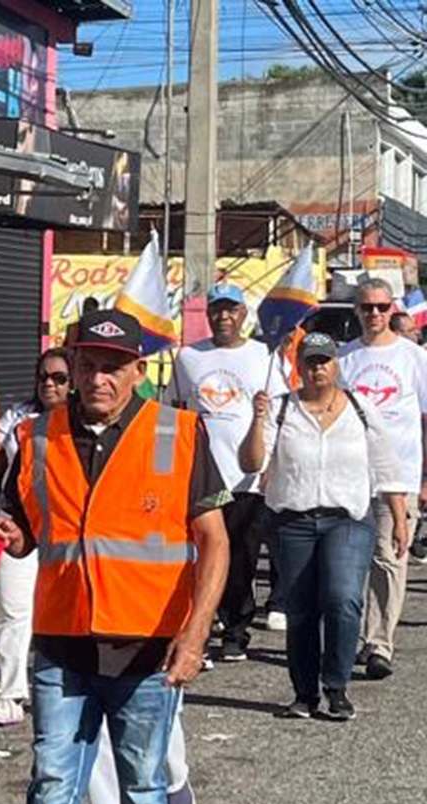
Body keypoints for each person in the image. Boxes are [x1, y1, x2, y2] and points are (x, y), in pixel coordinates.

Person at [0, 309, 229, 804]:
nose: (98, 378)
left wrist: (195, 634)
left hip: (147, 646)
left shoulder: (179, 433)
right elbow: (32, 530)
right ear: (71, 366)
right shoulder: (34, 439)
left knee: (143, 787)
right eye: (87, 364)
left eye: (114, 366)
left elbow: (215, 542)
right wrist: (16, 538)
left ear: (137, 372)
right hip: (62, 644)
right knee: (52, 783)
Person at [240, 330, 408, 720]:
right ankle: (304, 694)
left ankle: (336, 686)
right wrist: (257, 419)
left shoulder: (361, 408)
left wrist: (399, 519)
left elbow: (386, 467)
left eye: (325, 361)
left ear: (336, 365)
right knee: (300, 609)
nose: (318, 368)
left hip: (347, 520)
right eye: (310, 361)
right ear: (298, 367)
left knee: (343, 598)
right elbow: (251, 464)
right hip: (291, 521)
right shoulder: (281, 409)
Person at [172, 282, 285, 662]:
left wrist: (272, 464)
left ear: (243, 315)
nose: (223, 316)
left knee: (241, 558)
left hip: (246, 477)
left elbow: (279, 416)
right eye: (216, 309)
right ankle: (199, 626)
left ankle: (236, 630)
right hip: (200, 473)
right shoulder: (188, 357)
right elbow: (176, 408)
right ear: (208, 315)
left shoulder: (265, 355)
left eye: (231, 310)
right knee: (199, 554)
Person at [336, 277, 427, 679]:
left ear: (393, 310)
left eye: (381, 307)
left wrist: (424, 479)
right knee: (349, 561)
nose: (374, 314)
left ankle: (379, 644)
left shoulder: (414, 358)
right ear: (356, 311)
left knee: (388, 557)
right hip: (350, 474)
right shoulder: (344, 357)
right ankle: (351, 636)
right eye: (366, 307)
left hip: (400, 476)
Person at [0, 349, 72, 725]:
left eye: (59, 378)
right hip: (17, 525)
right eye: (44, 376)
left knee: (62, 613)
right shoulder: (20, 417)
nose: (50, 384)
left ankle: (66, 687)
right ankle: (11, 695)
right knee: (14, 611)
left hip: (65, 532)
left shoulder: (82, 423)